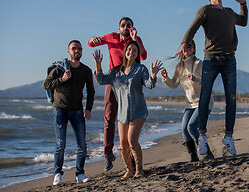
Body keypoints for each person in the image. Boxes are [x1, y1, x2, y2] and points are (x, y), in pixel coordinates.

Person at [176, 0, 248, 156]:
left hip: (230, 59)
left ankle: (228, 137)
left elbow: (243, 22)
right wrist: (184, 42)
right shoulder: (205, 10)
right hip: (211, 60)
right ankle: (202, 136)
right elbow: (193, 27)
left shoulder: (230, 12)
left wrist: (243, 4)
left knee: (231, 99)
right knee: (204, 97)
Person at [93, 41, 163, 180]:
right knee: (123, 143)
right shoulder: (115, 72)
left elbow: (149, 85)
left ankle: (139, 169)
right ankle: (129, 170)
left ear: (137, 54)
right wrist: (98, 64)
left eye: (135, 51)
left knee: (132, 140)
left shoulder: (141, 69)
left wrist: (153, 76)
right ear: (125, 52)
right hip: (123, 113)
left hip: (138, 111)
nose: (132, 52)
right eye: (129, 49)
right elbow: (100, 80)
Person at [88, 17, 147, 171]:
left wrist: (135, 40)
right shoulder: (111, 37)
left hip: (130, 83)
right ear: (119, 27)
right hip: (114, 80)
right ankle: (108, 154)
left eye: (129, 25)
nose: (126, 27)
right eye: (123, 25)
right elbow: (91, 43)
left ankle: (133, 160)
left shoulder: (135, 39)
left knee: (130, 119)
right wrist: (92, 39)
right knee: (109, 117)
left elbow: (143, 56)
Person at [43, 40, 95, 185]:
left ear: (82, 51)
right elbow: (46, 84)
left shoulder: (86, 70)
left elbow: (91, 91)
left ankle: (80, 174)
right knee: (61, 144)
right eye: (74, 48)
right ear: (68, 51)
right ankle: (57, 174)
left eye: (79, 49)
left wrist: (88, 109)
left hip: (78, 111)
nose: (76, 51)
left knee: (82, 145)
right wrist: (62, 79)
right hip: (60, 110)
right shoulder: (59, 68)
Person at [161, 40, 215, 162]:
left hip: (204, 101)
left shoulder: (199, 63)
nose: (186, 49)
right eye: (184, 47)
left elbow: (209, 82)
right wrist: (165, 78)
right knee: (184, 129)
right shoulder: (180, 67)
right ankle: (193, 157)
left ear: (194, 49)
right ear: (181, 50)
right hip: (190, 103)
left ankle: (207, 152)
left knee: (191, 127)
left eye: (189, 47)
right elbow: (174, 84)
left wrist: (196, 79)